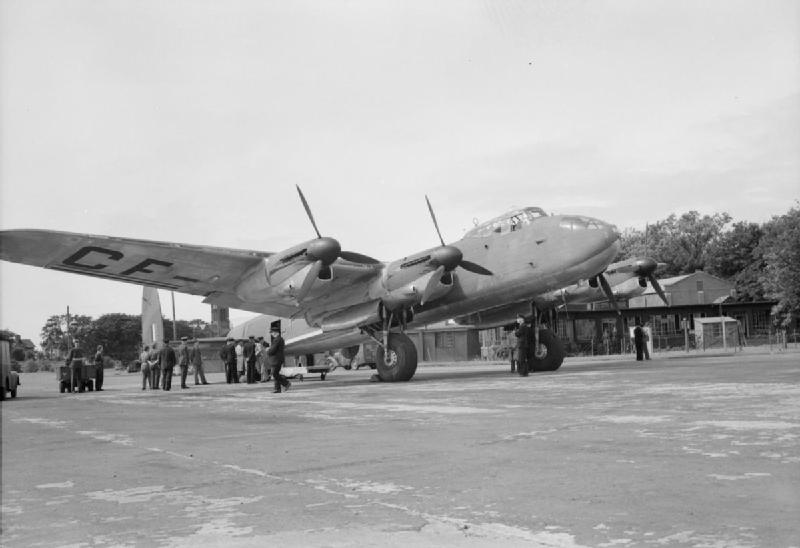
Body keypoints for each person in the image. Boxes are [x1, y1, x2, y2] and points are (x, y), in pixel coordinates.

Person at [267, 320, 291, 393]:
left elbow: (273, 350)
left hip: (276, 360)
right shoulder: (279, 339)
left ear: (275, 333)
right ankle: (277, 389)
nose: (271, 334)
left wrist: (268, 351)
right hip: (277, 359)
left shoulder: (277, 340)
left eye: (272, 333)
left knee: (275, 374)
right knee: (275, 374)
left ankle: (286, 383)